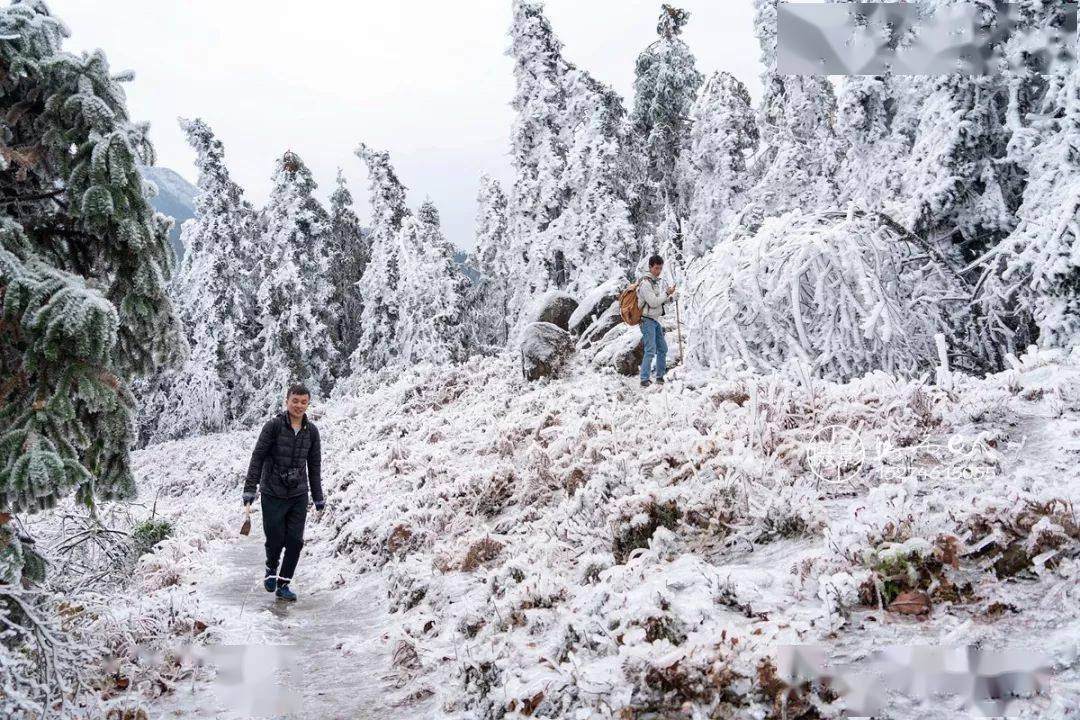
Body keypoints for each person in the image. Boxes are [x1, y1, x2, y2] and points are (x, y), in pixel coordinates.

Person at [242, 384, 325, 601]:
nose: (299, 405)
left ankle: (284, 584)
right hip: (272, 492)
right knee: (276, 538)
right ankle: (271, 569)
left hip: (298, 494)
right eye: (295, 401)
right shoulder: (273, 426)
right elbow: (257, 457)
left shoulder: (312, 432)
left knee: (295, 542)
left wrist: (318, 497)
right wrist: (250, 489)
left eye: (303, 402)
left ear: (308, 404)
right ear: (287, 401)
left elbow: (314, 466)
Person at [637, 254, 677, 388]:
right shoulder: (645, 283)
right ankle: (644, 379)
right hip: (646, 321)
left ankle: (660, 377)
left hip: (654, 320)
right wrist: (667, 293)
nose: (658, 271)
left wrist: (670, 298)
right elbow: (653, 302)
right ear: (650, 267)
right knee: (650, 350)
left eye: (660, 268)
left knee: (663, 348)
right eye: (656, 268)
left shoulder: (653, 282)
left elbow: (657, 300)